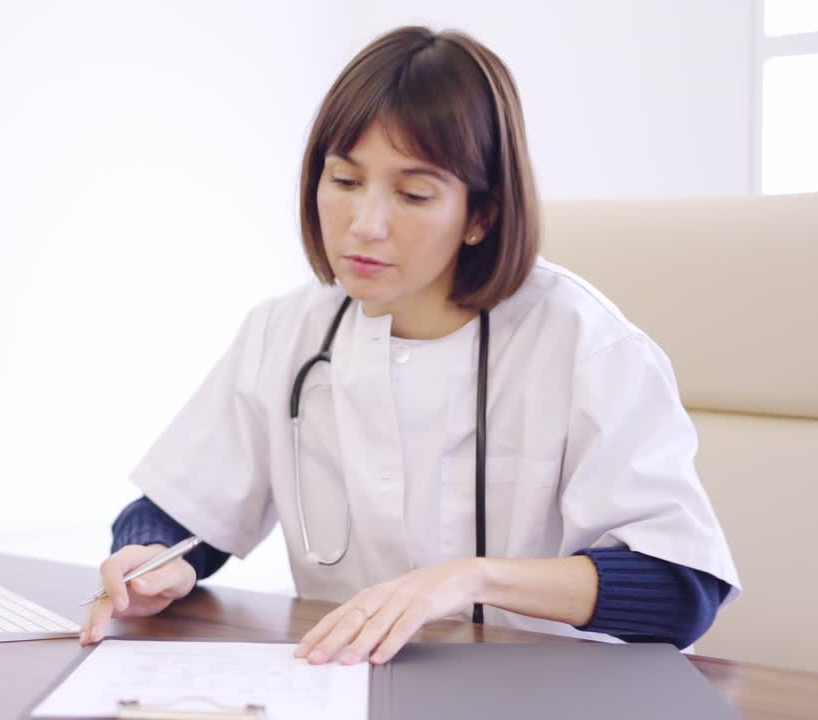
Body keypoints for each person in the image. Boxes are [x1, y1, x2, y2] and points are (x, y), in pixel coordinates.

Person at [80, 26, 739, 666]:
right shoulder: (286, 330)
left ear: (481, 214)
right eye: (344, 181)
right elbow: (179, 510)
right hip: (348, 683)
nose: (365, 225)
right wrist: (149, 558)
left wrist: (469, 578)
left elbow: (682, 587)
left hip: (547, 694)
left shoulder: (585, 344)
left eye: (413, 193)